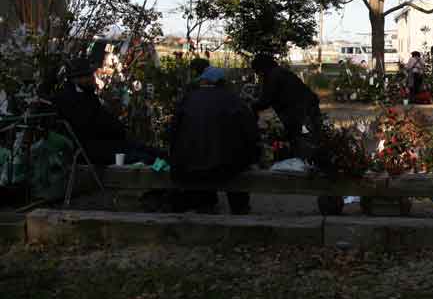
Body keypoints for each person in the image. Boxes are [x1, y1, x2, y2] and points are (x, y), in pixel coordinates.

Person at [169, 67, 258, 214]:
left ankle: (206, 205)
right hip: (226, 166)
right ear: (223, 83)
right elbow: (251, 133)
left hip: (190, 165)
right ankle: (239, 209)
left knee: (203, 168)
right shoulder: (234, 100)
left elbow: (173, 132)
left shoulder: (188, 99)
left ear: (204, 81)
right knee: (235, 166)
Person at [52, 58, 161, 165]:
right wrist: (116, 129)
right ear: (76, 79)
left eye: (91, 75)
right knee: (145, 157)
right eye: (88, 76)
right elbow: (94, 125)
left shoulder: (86, 94)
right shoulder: (71, 98)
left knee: (150, 151)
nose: (92, 78)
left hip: (107, 142)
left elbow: (103, 118)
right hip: (93, 149)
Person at [250, 53, 321, 156]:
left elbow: (265, 101)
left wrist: (252, 107)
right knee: (303, 141)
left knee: (304, 144)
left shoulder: (273, 75)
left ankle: (303, 165)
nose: (258, 75)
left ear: (262, 68)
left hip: (303, 113)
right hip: (305, 110)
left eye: (258, 72)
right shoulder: (280, 72)